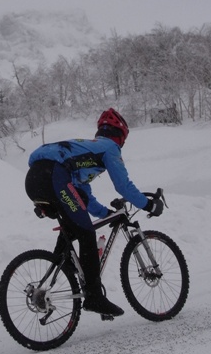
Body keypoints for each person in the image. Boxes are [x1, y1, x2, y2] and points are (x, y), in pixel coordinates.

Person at [25, 108, 164, 317]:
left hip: (34, 179)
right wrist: (148, 205)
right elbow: (123, 186)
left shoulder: (86, 152)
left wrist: (105, 213)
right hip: (53, 176)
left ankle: (61, 267)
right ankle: (94, 297)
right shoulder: (109, 148)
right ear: (121, 137)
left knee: (74, 226)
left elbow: (83, 196)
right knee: (87, 233)